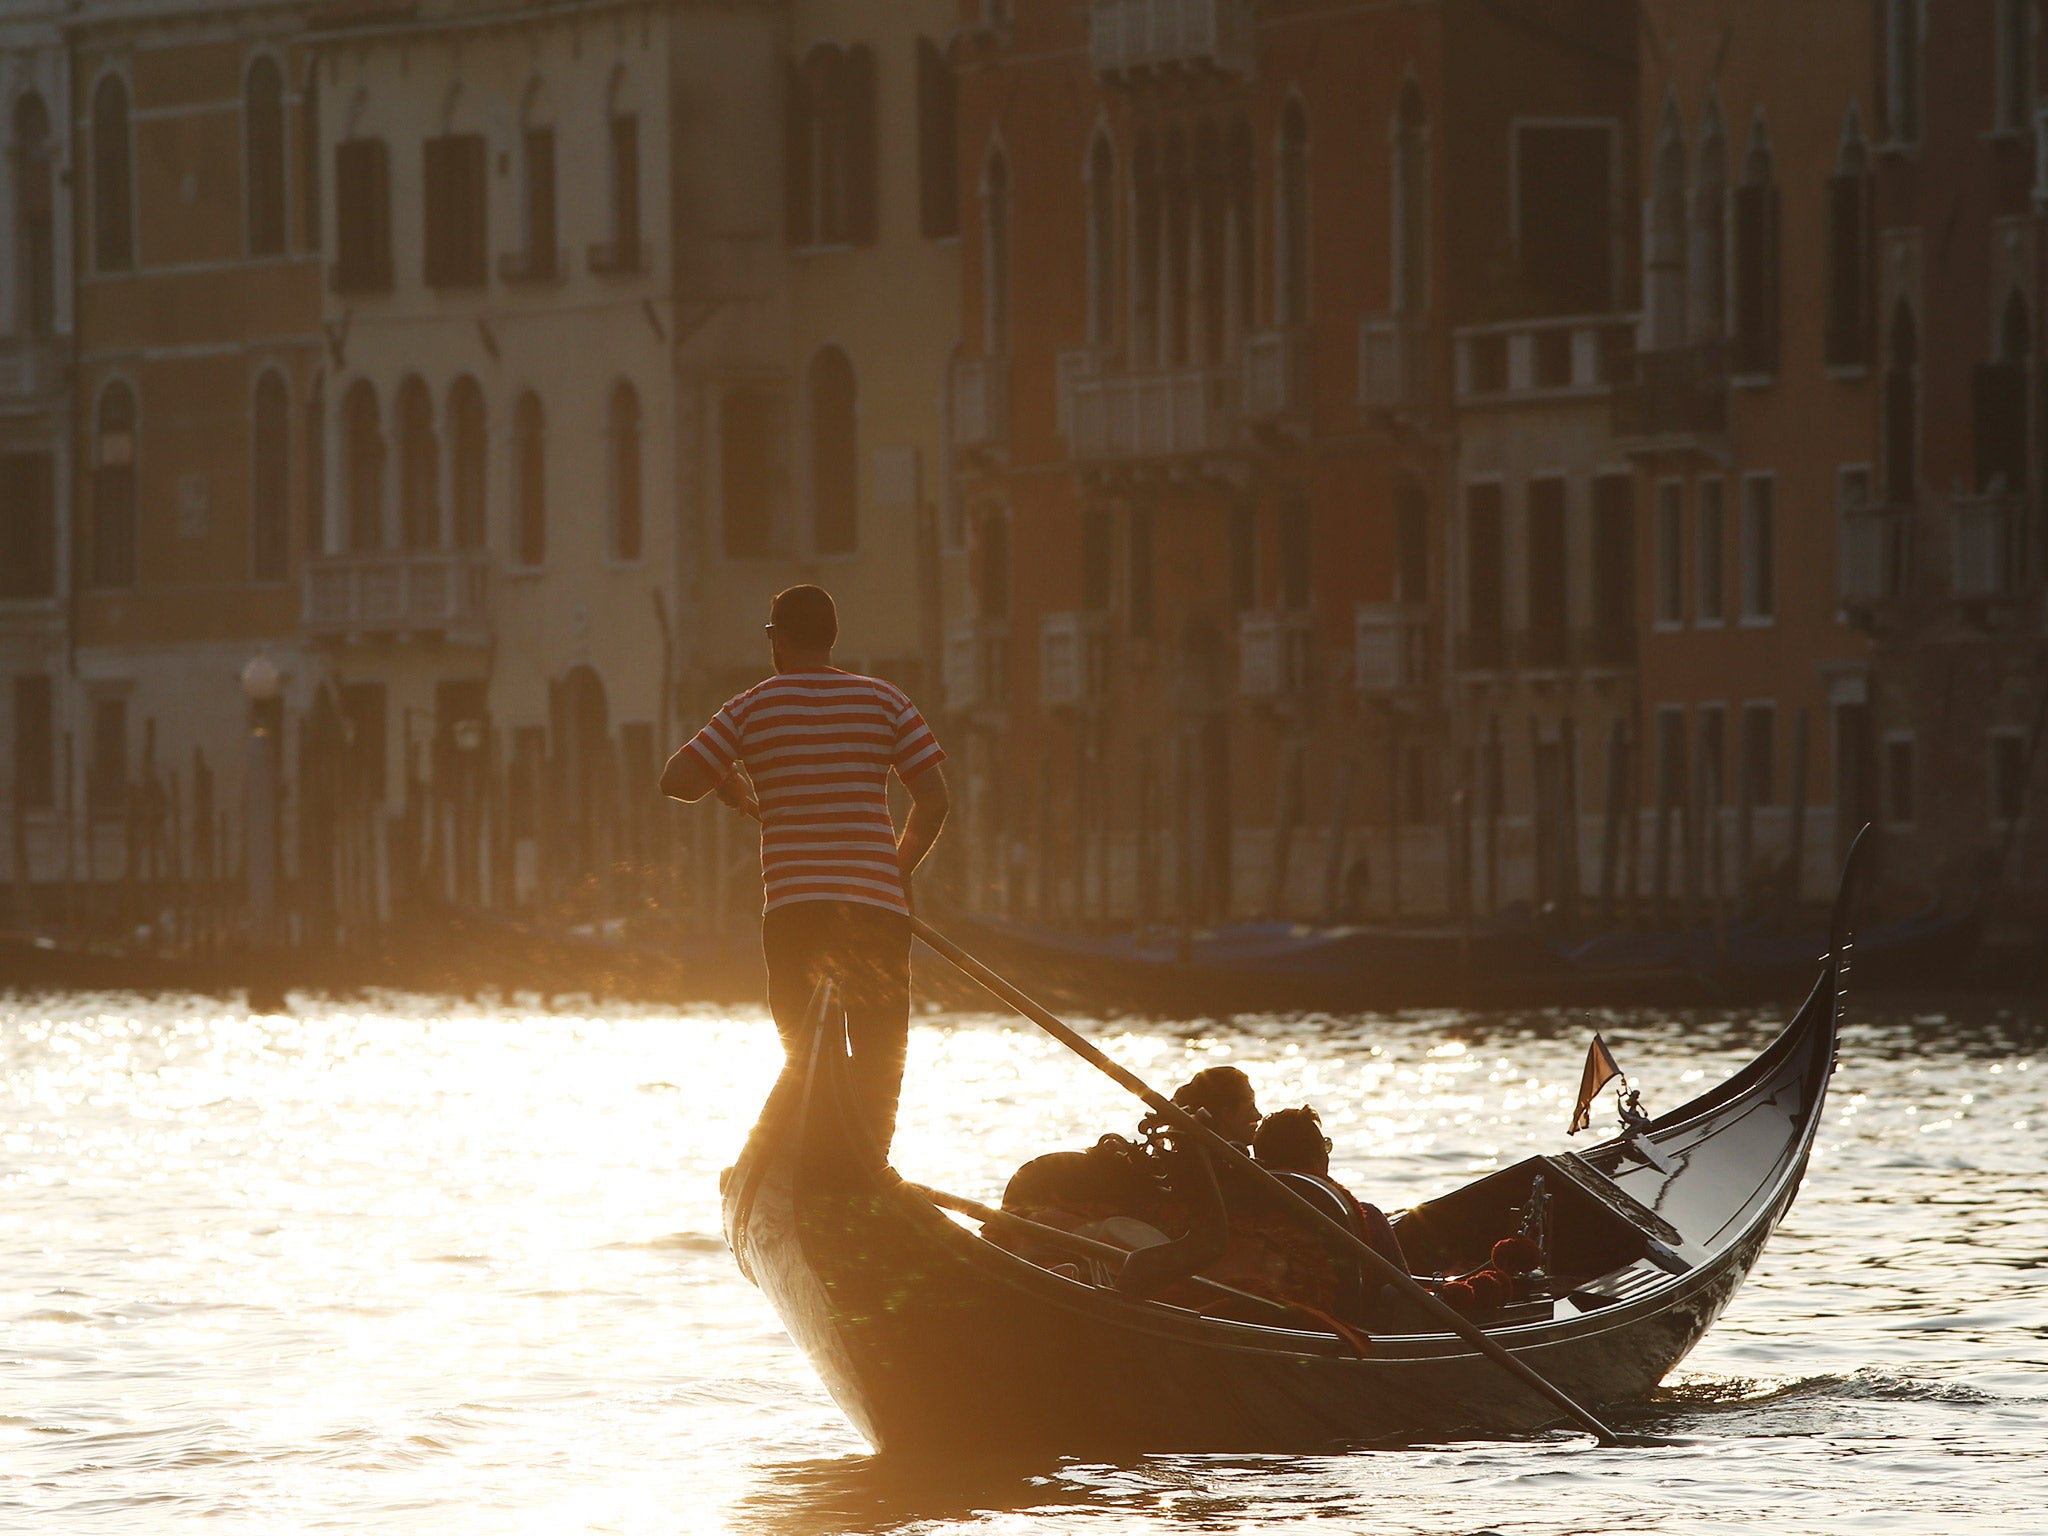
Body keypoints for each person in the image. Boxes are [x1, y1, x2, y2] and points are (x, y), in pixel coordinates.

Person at [660, 584, 949, 1155]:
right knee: (879, 1054)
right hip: (874, 911)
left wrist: (727, 778)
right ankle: (867, 1165)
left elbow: (677, 780)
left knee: (805, 1054)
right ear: (832, 637)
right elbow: (934, 800)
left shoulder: (749, 709)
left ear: (778, 639)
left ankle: (823, 1162)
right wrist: (896, 869)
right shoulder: (888, 702)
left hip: (795, 916)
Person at [1252, 1105, 1407, 1272]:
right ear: (1318, 1155)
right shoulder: (1368, 1219)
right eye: (1325, 1146)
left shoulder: (1249, 1212)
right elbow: (1404, 1292)